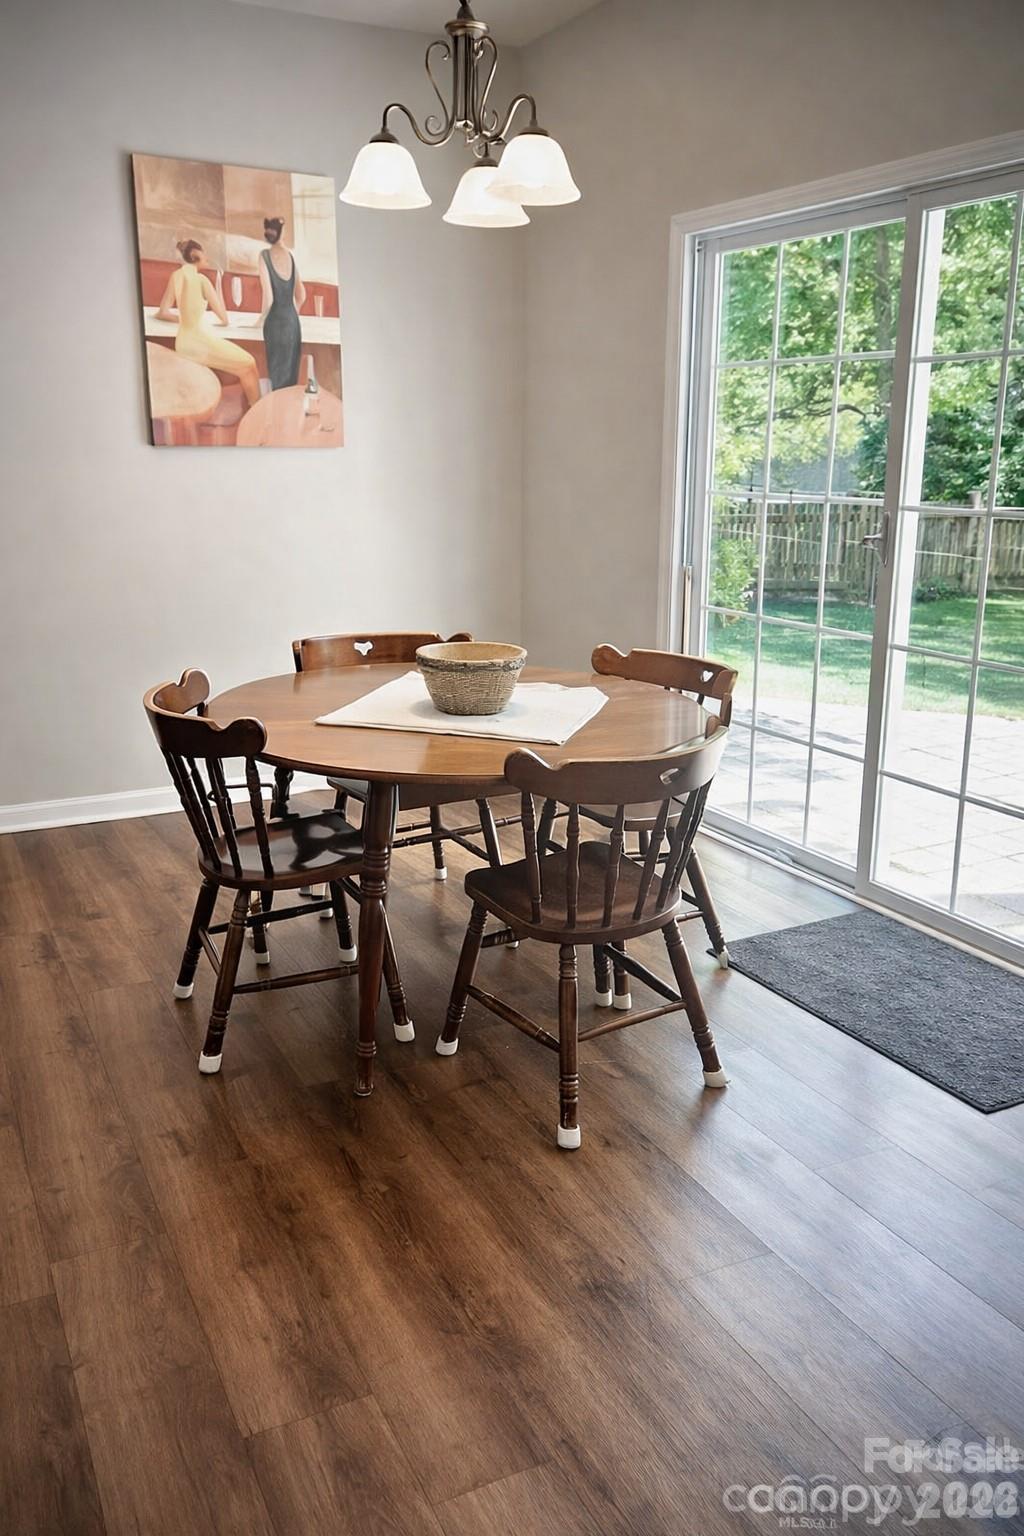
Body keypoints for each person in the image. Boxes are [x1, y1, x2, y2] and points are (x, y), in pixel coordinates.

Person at [155, 239, 260, 406]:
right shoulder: (202, 280)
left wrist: (183, 318)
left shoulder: (176, 276)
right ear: (195, 256)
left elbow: (162, 312)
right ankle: (257, 415)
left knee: (245, 366)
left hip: (182, 343)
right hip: (199, 344)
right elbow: (224, 319)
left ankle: (255, 413)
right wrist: (218, 289)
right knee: (249, 365)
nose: (207, 259)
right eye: (204, 255)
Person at [258, 216, 304, 390]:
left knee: (276, 377)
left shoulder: (264, 256)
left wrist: (260, 320)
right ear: (282, 233)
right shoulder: (290, 256)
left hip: (275, 324)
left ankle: (279, 413)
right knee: (291, 378)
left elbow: (268, 299)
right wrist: (292, 313)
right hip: (292, 323)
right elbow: (302, 295)